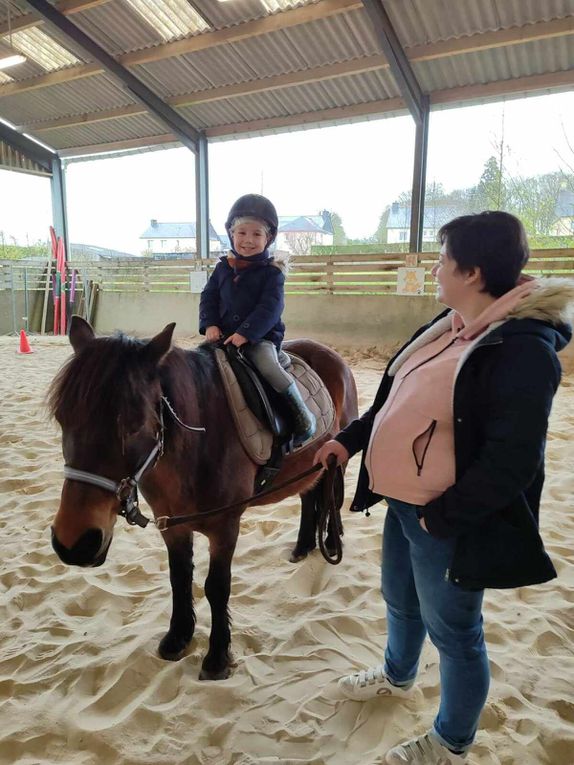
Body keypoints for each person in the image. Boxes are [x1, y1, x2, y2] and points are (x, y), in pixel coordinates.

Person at [314, 211, 574, 764]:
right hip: (402, 503)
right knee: (401, 604)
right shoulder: (449, 324)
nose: (434, 268)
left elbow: (514, 463)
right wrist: (350, 440)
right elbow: (391, 401)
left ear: (473, 272)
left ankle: (451, 741)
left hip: (445, 516)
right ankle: (397, 675)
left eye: (442, 259)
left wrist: (442, 518)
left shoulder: (522, 348)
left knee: (456, 634)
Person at [199, 193, 316, 446]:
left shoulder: (272, 273)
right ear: (232, 234)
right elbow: (208, 297)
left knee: (268, 367)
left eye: (256, 234)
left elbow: (270, 308)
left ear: (268, 238)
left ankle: (301, 418)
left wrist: (245, 333)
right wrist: (210, 324)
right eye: (242, 233)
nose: (248, 240)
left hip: (258, 338)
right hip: (222, 337)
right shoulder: (222, 267)